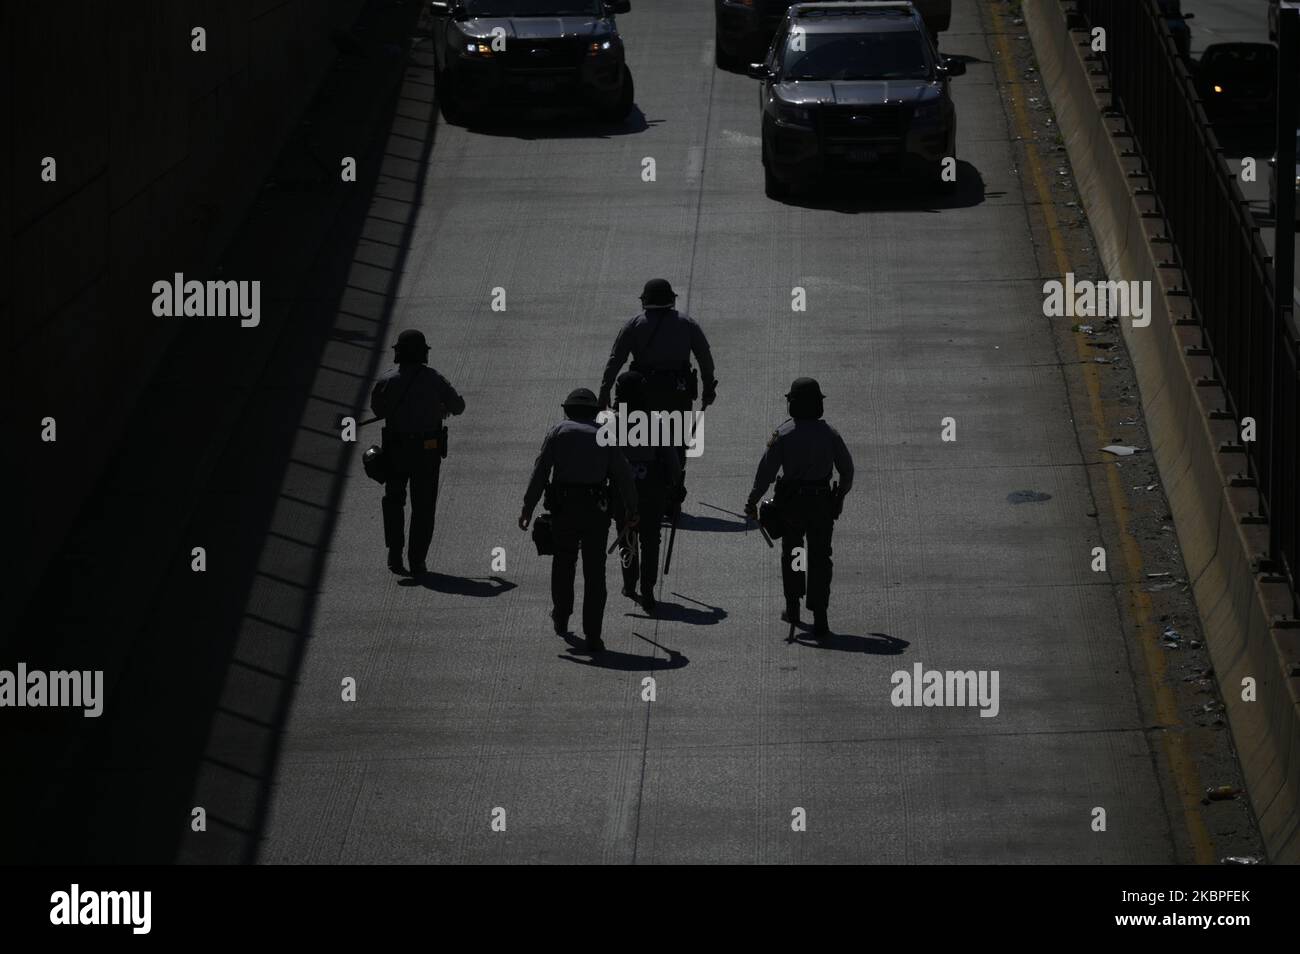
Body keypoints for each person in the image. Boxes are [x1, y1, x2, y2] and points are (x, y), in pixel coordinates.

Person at [519, 388, 638, 653]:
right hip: (596, 511)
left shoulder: (558, 432)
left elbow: (540, 471)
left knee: (563, 563)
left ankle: (561, 616)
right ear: (595, 412)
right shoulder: (605, 436)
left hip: (565, 509)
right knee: (595, 572)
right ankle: (593, 634)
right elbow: (623, 476)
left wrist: (528, 508)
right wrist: (632, 510)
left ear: (568, 410)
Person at [744, 378, 854, 638]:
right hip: (821, 503)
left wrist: (752, 500)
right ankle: (820, 614)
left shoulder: (783, 434)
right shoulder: (831, 434)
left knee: (793, 553)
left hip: (791, 504)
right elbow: (847, 471)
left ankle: (793, 607)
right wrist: (840, 496)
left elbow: (765, 473)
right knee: (820, 557)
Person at [597, 279, 717, 484]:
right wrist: (708, 388)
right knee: (677, 439)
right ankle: (673, 484)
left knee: (636, 435)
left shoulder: (634, 324)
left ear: (645, 300)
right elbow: (705, 358)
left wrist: (605, 390)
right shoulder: (687, 324)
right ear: (671, 299)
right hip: (677, 391)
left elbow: (616, 360)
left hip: (641, 392)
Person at [370, 329, 465, 577]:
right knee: (423, 506)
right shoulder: (434, 379)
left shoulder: (386, 380)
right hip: (427, 451)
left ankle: (394, 553)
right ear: (423, 353)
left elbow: (378, 410)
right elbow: (459, 406)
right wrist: (439, 407)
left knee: (393, 501)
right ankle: (417, 560)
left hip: (396, 449)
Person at [607, 371, 681, 615]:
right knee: (651, 539)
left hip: (620, 487)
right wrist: (675, 484)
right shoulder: (656, 421)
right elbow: (671, 459)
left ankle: (630, 583)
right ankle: (648, 587)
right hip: (651, 487)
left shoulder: (608, 421)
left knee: (626, 533)